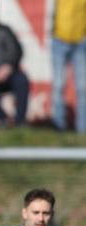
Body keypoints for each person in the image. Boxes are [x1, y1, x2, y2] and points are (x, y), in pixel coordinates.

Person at [50, 0, 86, 133]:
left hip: (80, 43)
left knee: (82, 88)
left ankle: (83, 129)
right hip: (60, 40)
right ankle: (58, 125)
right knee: (59, 84)